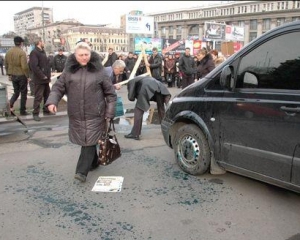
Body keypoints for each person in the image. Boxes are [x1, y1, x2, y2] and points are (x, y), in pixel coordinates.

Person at [45, 42, 117, 183]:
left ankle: (81, 172)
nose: (84, 58)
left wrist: (109, 113)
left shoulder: (99, 71)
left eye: (86, 55)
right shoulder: (68, 71)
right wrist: (52, 101)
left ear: (90, 55)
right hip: (76, 114)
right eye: (81, 55)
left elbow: (111, 94)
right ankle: (94, 162)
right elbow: (58, 88)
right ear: (75, 56)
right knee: (87, 141)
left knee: (88, 142)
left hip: (95, 114)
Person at [124, 75, 171, 140]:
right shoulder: (143, 78)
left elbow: (131, 97)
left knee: (138, 110)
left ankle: (135, 134)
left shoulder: (131, 82)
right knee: (161, 109)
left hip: (146, 88)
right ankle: (167, 130)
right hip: (159, 87)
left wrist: (131, 95)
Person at [5, 36, 30, 115]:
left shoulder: (8, 52)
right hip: (21, 75)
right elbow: (24, 66)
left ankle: (10, 104)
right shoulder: (21, 52)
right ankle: (22, 110)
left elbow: (6, 64)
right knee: (23, 93)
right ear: (21, 43)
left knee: (16, 92)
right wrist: (28, 76)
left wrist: (9, 74)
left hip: (13, 75)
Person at [29, 37, 52, 121]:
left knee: (47, 95)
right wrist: (42, 75)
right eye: (42, 41)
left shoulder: (42, 52)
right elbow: (34, 66)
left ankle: (46, 110)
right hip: (40, 79)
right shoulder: (34, 52)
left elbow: (45, 64)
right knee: (38, 97)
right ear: (39, 42)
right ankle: (35, 113)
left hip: (46, 79)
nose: (43, 43)